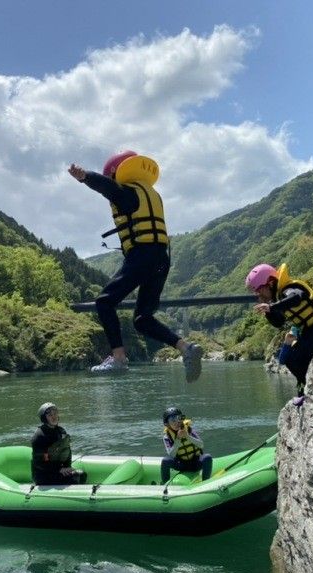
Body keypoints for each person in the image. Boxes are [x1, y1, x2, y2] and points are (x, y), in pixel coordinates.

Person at [68, 151, 204, 382]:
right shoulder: (152, 195)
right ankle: (186, 348)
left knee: (104, 302)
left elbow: (107, 188)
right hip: (161, 258)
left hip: (142, 255)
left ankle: (118, 358)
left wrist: (85, 177)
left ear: (116, 174)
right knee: (142, 319)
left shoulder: (127, 193)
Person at [246, 263, 313, 405]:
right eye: (257, 292)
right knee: (290, 359)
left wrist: (272, 306)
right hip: (310, 329)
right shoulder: (278, 299)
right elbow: (279, 322)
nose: (259, 294)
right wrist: (268, 312)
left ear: (270, 283)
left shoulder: (288, 288)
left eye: (260, 289)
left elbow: (298, 297)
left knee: (300, 358)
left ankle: (306, 392)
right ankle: (303, 391)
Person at [31, 402, 87, 485]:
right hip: (43, 475)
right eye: (50, 415)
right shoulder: (39, 436)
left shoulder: (61, 431)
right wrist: (59, 470)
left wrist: (67, 467)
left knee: (82, 474)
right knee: (76, 476)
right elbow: (40, 463)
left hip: (56, 470)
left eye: (55, 414)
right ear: (44, 418)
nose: (54, 417)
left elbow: (67, 451)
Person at [160, 407, 212, 484]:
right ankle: (165, 484)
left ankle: (205, 483)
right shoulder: (167, 436)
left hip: (195, 462)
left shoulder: (189, 429)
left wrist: (187, 436)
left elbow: (201, 445)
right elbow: (171, 454)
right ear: (167, 424)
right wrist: (178, 439)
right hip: (181, 464)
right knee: (165, 461)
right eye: (172, 420)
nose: (176, 422)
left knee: (207, 457)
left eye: (178, 418)